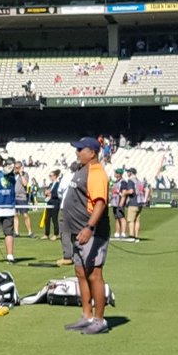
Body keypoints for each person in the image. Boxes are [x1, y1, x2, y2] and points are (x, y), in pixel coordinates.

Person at [60, 138, 113, 335]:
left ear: (92, 152)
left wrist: (90, 227)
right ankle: (87, 315)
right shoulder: (83, 170)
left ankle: (99, 320)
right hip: (78, 232)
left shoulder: (97, 172)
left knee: (94, 274)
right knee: (81, 273)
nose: (77, 152)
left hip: (91, 232)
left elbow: (100, 203)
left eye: (80, 149)